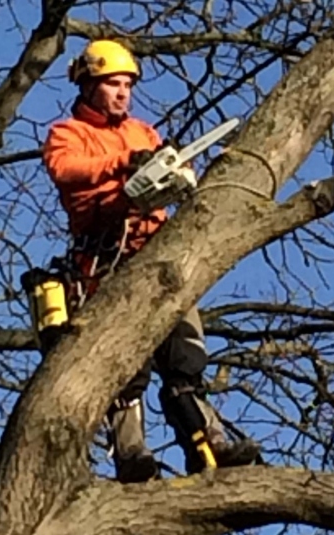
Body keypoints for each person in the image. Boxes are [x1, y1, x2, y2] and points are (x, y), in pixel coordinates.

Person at [42, 40, 260, 483]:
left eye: (127, 85)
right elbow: (65, 171)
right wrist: (124, 162)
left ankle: (207, 442)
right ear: (88, 86)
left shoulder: (143, 131)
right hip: (106, 258)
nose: (123, 94)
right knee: (126, 365)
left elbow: (167, 170)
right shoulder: (68, 133)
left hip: (157, 250)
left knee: (184, 354)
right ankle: (132, 454)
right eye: (113, 85)